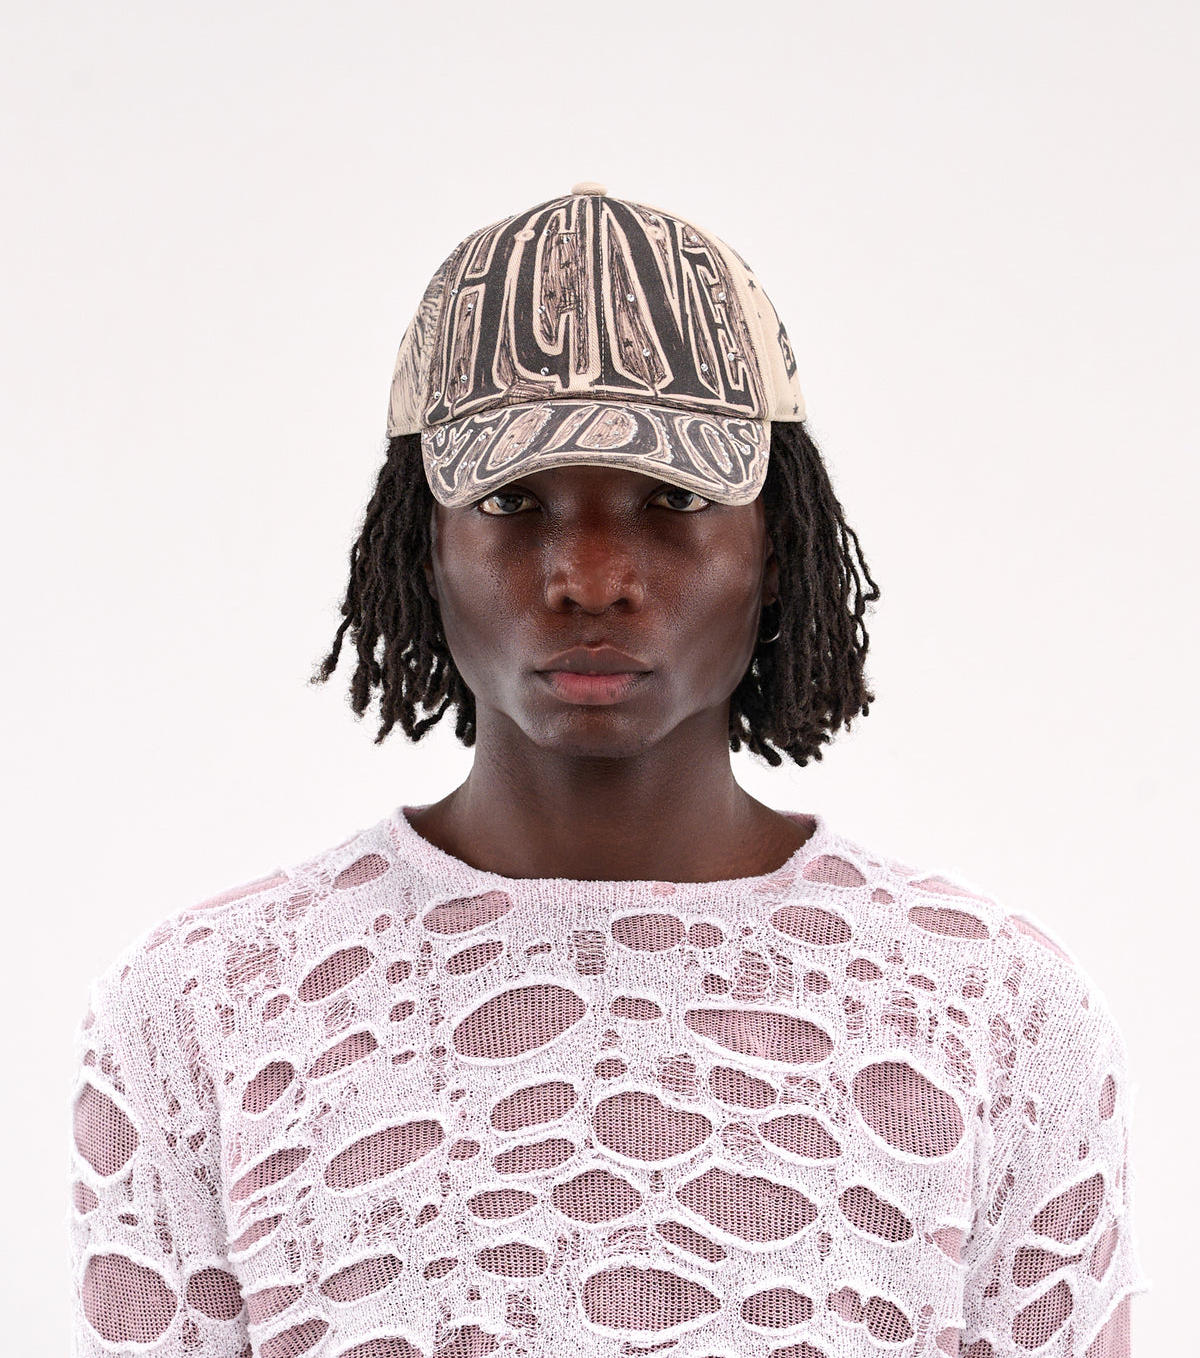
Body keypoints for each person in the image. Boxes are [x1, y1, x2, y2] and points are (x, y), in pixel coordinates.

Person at [69, 184, 1145, 1357]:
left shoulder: (998, 1015)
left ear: (776, 543)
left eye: (672, 497)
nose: (588, 575)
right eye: (511, 499)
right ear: (421, 545)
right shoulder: (204, 1008)